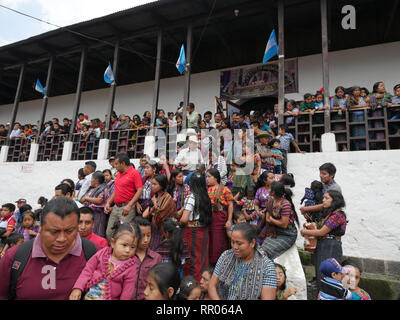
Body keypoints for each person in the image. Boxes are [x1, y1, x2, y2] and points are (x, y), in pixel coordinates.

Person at [0, 197, 98, 300]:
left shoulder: (96, 254)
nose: (62, 239)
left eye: (69, 231)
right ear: (40, 226)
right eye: (54, 231)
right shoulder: (15, 257)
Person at [70, 221, 140, 300]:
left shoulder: (131, 266)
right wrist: (78, 288)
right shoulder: (102, 253)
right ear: (113, 243)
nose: (128, 250)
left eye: (132, 247)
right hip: (90, 296)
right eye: (124, 245)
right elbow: (87, 270)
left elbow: (127, 291)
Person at [208, 223, 277, 300]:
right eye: (232, 242)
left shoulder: (267, 266)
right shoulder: (226, 256)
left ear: (252, 243)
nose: (235, 247)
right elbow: (212, 285)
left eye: (239, 243)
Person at [300, 190, 347, 291]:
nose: (323, 200)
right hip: (323, 244)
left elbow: (322, 232)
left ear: (335, 201)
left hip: (331, 246)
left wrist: (305, 231)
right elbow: (321, 207)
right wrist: (304, 209)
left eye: (326, 198)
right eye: (323, 198)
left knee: (329, 273)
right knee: (320, 272)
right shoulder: (329, 212)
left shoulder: (338, 215)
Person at [180, 172, 212, 282]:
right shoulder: (206, 196)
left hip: (192, 231)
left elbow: (184, 219)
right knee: (202, 257)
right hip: (203, 230)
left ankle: (192, 283)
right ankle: (203, 281)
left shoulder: (191, 197)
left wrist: (179, 223)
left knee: (192, 258)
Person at [104, 153, 143, 240]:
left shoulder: (134, 173)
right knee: (109, 232)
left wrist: (129, 206)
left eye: (116, 164)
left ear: (123, 164)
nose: (115, 166)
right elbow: (116, 191)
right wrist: (108, 203)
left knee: (124, 233)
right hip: (116, 207)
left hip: (127, 208)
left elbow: (140, 190)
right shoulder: (118, 174)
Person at [258, 181, 299, 260]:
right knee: (261, 250)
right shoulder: (271, 201)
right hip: (274, 232)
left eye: (270, 189)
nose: (268, 190)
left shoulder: (285, 204)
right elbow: (267, 216)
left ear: (273, 192)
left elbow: (284, 224)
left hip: (287, 234)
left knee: (267, 252)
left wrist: (271, 219)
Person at [206, 168, 234, 266]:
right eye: (206, 177)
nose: (207, 179)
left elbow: (230, 204)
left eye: (209, 177)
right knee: (209, 239)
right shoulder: (206, 189)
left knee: (219, 240)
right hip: (208, 216)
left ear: (216, 178)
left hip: (219, 216)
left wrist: (229, 220)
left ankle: (220, 262)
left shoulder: (224, 189)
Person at [142, 175, 177, 250]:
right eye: (152, 184)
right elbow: (144, 215)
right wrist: (153, 203)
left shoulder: (167, 198)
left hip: (164, 231)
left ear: (162, 185)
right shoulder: (155, 197)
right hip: (154, 229)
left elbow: (161, 214)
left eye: (155, 184)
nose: (152, 186)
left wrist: (154, 203)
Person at [131, 216, 162, 300]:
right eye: (142, 236)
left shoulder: (156, 258)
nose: (146, 240)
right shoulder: (126, 255)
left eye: (148, 235)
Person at [80, 171, 108, 237]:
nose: (90, 181)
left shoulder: (103, 188)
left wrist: (87, 199)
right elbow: (82, 199)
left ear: (96, 180)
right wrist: (84, 199)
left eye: (92, 179)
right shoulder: (91, 188)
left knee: (97, 232)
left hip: (98, 214)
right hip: (88, 213)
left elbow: (100, 200)